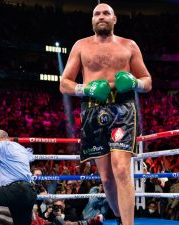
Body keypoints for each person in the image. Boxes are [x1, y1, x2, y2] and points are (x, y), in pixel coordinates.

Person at [59, 3, 152, 225]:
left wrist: (134, 82)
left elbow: (147, 82)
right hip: (92, 108)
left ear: (114, 19)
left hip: (122, 108)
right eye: (97, 14)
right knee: (107, 179)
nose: (101, 17)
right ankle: (120, 217)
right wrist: (86, 88)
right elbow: (64, 84)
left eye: (106, 13)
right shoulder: (81, 46)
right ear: (92, 20)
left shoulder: (129, 45)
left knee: (121, 169)